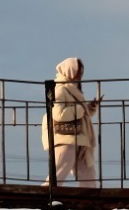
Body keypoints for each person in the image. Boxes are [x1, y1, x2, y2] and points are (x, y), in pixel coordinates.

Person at [42, 56, 99, 186]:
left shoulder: (73, 89)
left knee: (88, 176)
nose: (80, 76)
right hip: (65, 137)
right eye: (78, 72)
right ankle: (44, 195)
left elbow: (81, 115)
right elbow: (58, 115)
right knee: (60, 171)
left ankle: (89, 197)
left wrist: (90, 107)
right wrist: (80, 108)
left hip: (78, 138)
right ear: (70, 71)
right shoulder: (60, 90)